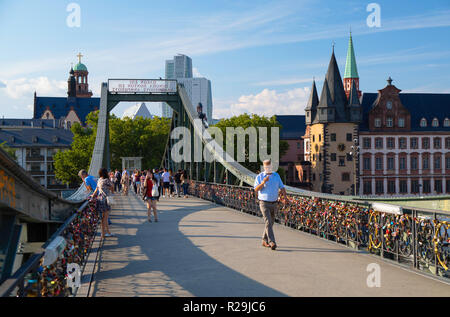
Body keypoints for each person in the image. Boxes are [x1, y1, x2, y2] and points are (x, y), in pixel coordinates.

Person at [253, 159, 287, 251]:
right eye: (266, 167)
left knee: (271, 223)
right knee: (268, 222)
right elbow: (256, 189)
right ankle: (272, 242)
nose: (268, 168)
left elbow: (282, 187)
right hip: (264, 203)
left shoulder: (276, 175)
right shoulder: (260, 176)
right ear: (264, 167)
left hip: (274, 203)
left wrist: (285, 198)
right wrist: (263, 182)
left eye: (269, 166)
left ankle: (264, 240)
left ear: (272, 166)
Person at [91, 168, 115, 239]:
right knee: (105, 218)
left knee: (103, 217)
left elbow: (96, 189)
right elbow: (112, 186)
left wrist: (93, 195)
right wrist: (112, 192)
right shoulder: (106, 180)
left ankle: (107, 232)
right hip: (106, 200)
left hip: (100, 199)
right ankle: (103, 234)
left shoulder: (99, 180)